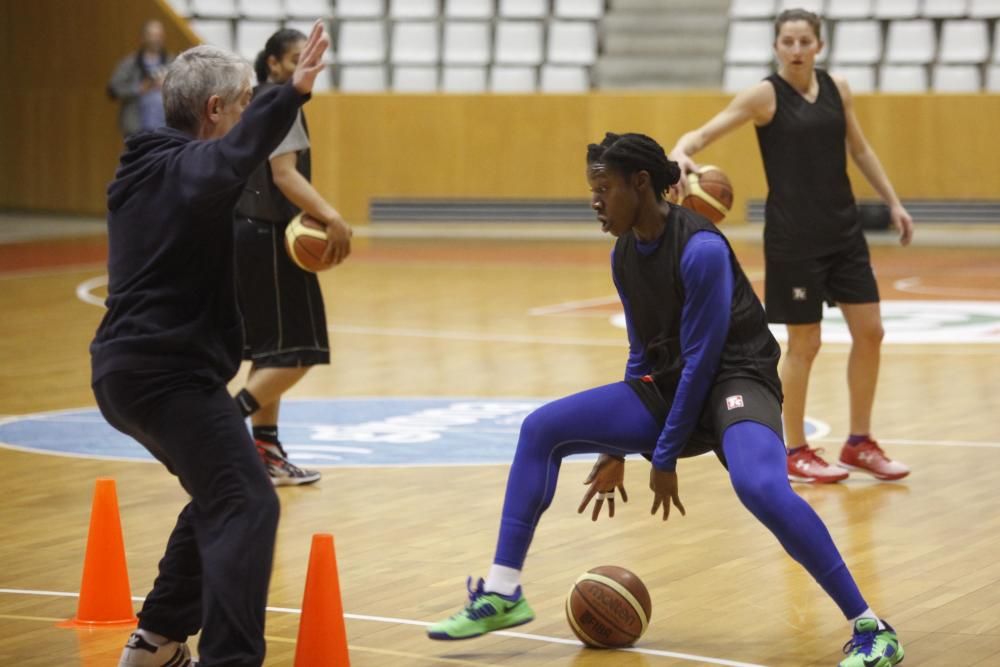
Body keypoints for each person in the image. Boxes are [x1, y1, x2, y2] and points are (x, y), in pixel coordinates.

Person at [426, 133, 904, 667]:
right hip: (675, 383)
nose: (595, 201)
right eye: (592, 189)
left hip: (736, 379)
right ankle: (502, 591)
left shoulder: (700, 250)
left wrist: (663, 455)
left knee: (760, 486)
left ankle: (872, 628)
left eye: (604, 188)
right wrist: (615, 447)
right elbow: (642, 351)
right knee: (540, 429)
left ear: (641, 183)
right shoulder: (624, 253)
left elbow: (703, 361)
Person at [90, 23, 330, 667]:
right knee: (248, 504)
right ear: (215, 110)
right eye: (245, 100)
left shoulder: (154, 163)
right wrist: (289, 94)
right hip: (163, 376)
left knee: (222, 494)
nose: (252, 110)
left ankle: (158, 642)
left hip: (137, 373)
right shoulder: (174, 164)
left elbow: (223, 171)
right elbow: (224, 162)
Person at [669, 8, 914, 484]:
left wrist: (894, 203)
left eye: (805, 41)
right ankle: (795, 448)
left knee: (872, 331)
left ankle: (859, 443)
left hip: (843, 230)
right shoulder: (765, 96)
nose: (797, 50)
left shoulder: (838, 88)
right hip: (793, 237)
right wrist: (681, 152)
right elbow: (702, 133)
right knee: (806, 342)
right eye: (789, 42)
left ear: (819, 45)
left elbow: (859, 149)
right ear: (776, 47)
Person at [231, 28, 352, 486]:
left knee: (270, 352)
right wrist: (331, 217)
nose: (312, 65)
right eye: (301, 58)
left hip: (245, 233)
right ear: (275, 63)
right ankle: (226, 424)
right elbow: (283, 175)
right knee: (299, 351)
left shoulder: (256, 100)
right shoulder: (280, 103)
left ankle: (265, 450)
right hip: (268, 237)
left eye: (316, 58)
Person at [107, 20, 173, 138]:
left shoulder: (173, 62)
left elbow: (186, 89)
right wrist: (139, 88)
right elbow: (113, 90)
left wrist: (168, 85)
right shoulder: (129, 63)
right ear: (143, 38)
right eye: (152, 35)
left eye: (159, 35)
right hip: (136, 129)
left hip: (166, 130)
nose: (156, 39)